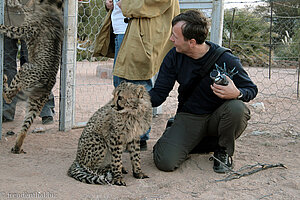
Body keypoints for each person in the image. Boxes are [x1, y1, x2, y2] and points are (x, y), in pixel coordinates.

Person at [149, 10, 258, 173]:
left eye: (175, 37)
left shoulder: (225, 59)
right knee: (165, 162)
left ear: (192, 42)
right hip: (190, 116)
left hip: (219, 116)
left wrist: (237, 93)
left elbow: (251, 89)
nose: (171, 39)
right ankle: (183, 137)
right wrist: (132, 99)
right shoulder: (173, 57)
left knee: (237, 108)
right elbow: (158, 95)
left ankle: (223, 151)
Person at [93, 0, 180, 150]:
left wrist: (126, 4)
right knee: (121, 86)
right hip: (121, 28)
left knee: (137, 85)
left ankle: (139, 138)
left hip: (140, 31)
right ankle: (125, 136)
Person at [2, 0, 55, 125]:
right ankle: (6, 110)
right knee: (7, 65)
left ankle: (45, 109)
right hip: (6, 14)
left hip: (31, 16)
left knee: (36, 66)